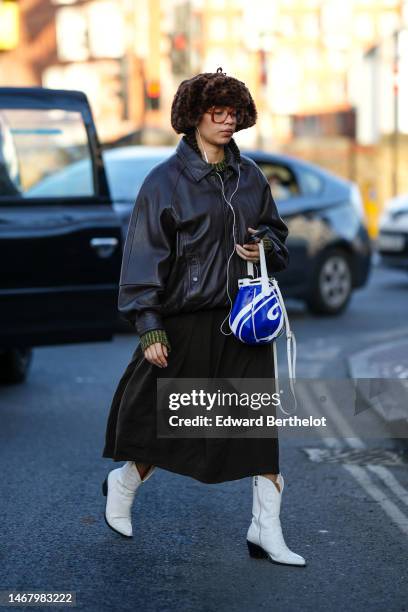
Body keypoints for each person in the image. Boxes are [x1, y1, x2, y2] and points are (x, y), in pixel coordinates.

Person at [102, 67, 306, 567]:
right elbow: (143, 257)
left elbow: (279, 239)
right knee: (163, 427)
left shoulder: (251, 176)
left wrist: (263, 245)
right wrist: (148, 325)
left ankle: (266, 530)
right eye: (218, 112)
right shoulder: (164, 182)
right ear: (193, 117)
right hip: (184, 322)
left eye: (234, 112)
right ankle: (124, 483)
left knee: (258, 431)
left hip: (245, 322)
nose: (228, 121)